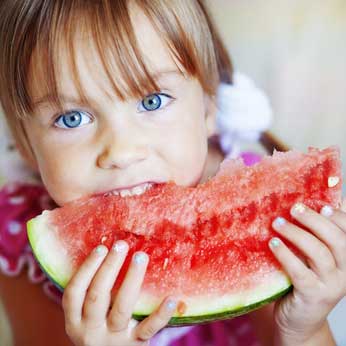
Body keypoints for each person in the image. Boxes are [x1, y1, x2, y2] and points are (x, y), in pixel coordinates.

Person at [0, 1, 345, 345]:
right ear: (26, 144)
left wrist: (304, 329)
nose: (122, 152)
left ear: (209, 106)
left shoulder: (259, 209)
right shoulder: (20, 239)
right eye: (71, 118)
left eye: (152, 101)